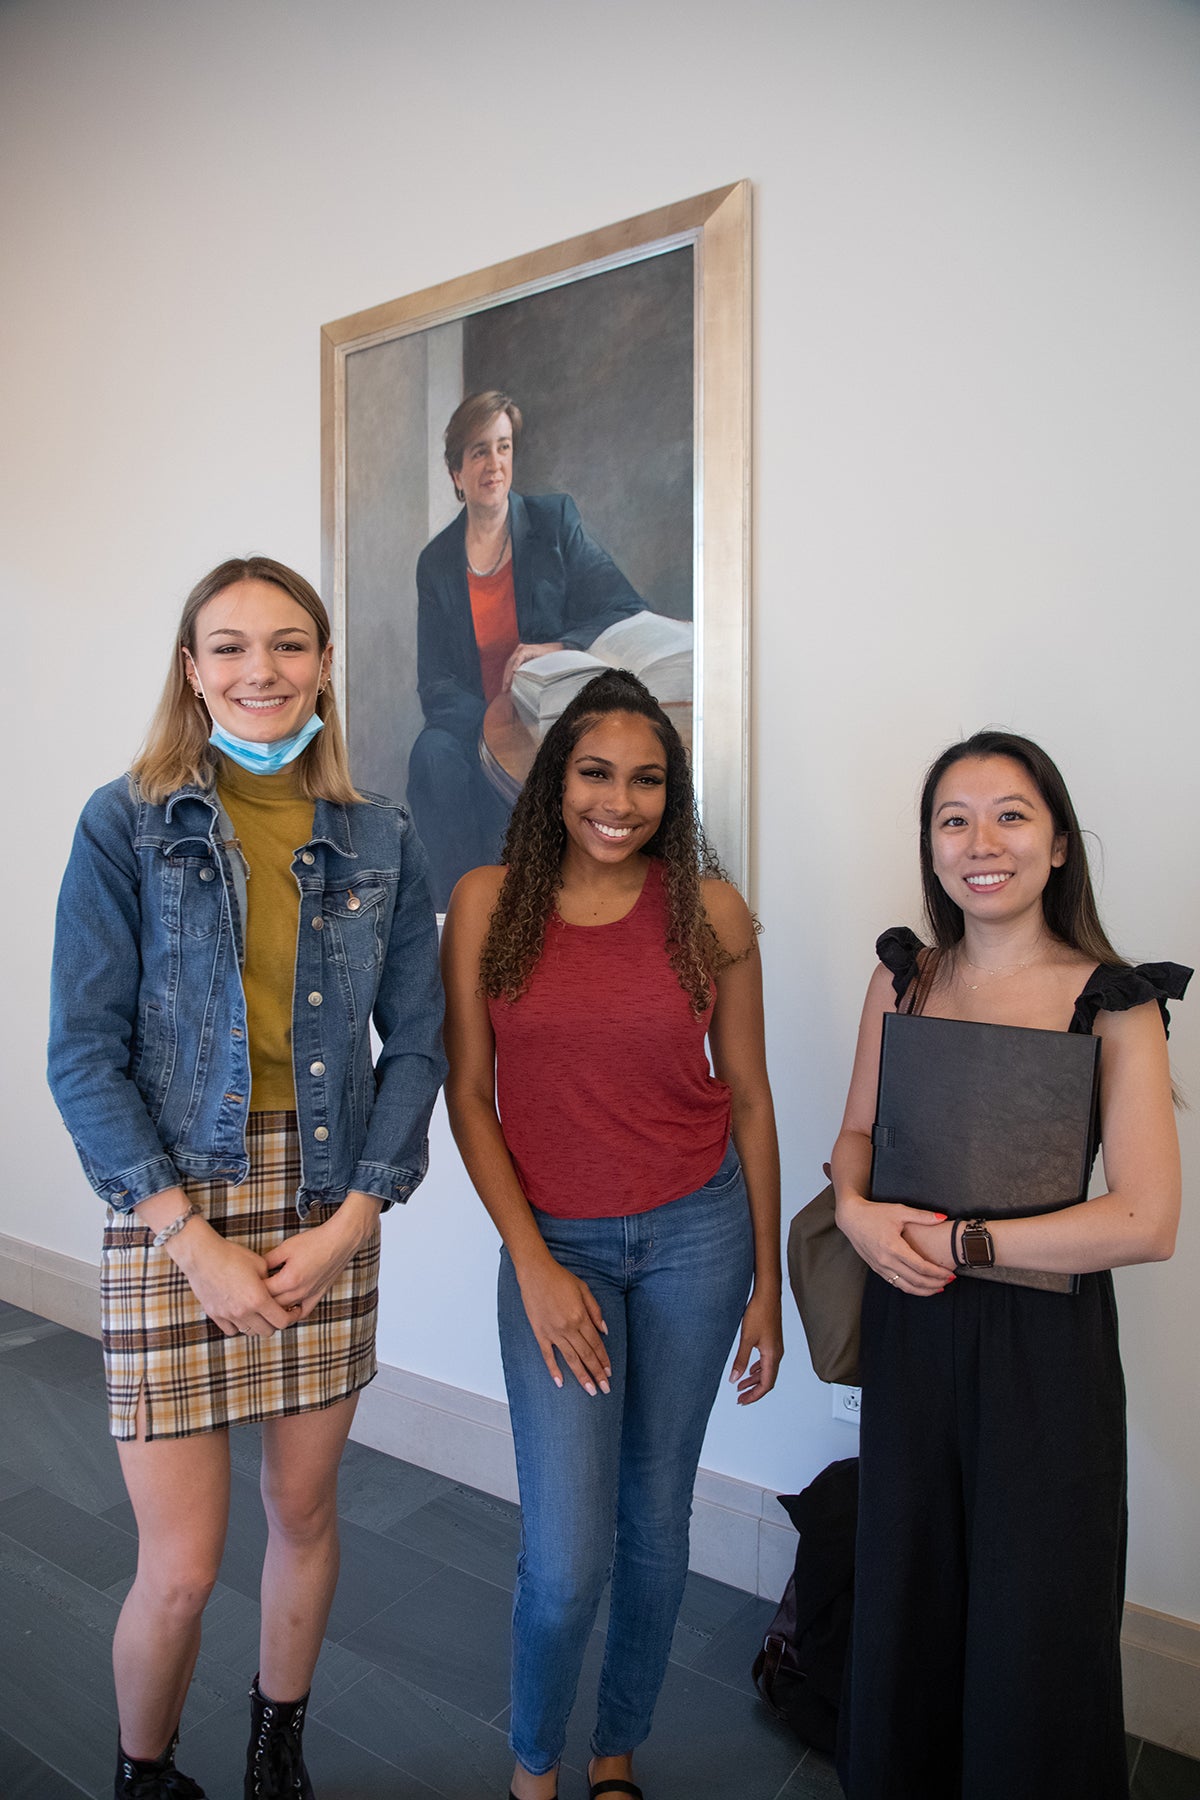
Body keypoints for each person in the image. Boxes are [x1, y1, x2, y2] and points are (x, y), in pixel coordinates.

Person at [47, 556, 446, 1800]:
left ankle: (279, 1753)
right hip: (172, 1204)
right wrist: (190, 1239)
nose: (259, 671)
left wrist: (354, 1221)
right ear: (191, 668)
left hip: (327, 1201)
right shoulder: (124, 822)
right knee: (178, 1566)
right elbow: (81, 1054)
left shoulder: (383, 834)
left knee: (305, 1515)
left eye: (287, 645)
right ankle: (146, 1774)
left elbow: (418, 1046)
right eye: (228, 646)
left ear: (323, 665)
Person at [441, 668, 783, 1800]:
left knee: (654, 1529)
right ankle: (534, 1767)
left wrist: (769, 1283)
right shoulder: (489, 902)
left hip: (698, 1238)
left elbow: (749, 1098)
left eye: (647, 780)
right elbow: (470, 1095)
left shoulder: (709, 912)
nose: (620, 802)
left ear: (671, 795)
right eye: (596, 773)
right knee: (566, 1558)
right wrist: (533, 1263)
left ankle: (615, 1753)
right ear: (555, 778)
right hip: (560, 1247)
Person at [830, 729, 1190, 1800]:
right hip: (911, 1323)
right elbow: (858, 1134)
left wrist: (967, 1243)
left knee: (1039, 1607)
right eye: (955, 820)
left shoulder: (1115, 1002)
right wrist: (853, 1212)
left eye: (1011, 816)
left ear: (1060, 843)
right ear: (932, 847)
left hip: (1046, 1348)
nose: (980, 842)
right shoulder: (904, 979)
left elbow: (1148, 1219)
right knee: (912, 1582)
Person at [409, 389, 646, 906]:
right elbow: (435, 683)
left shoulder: (553, 522)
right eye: (479, 451)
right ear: (456, 472)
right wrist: (494, 725)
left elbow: (625, 608)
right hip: (474, 723)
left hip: (555, 713)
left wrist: (556, 646)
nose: (494, 463)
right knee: (432, 757)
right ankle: (457, 911)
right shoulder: (436, 561)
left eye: (503, 447)